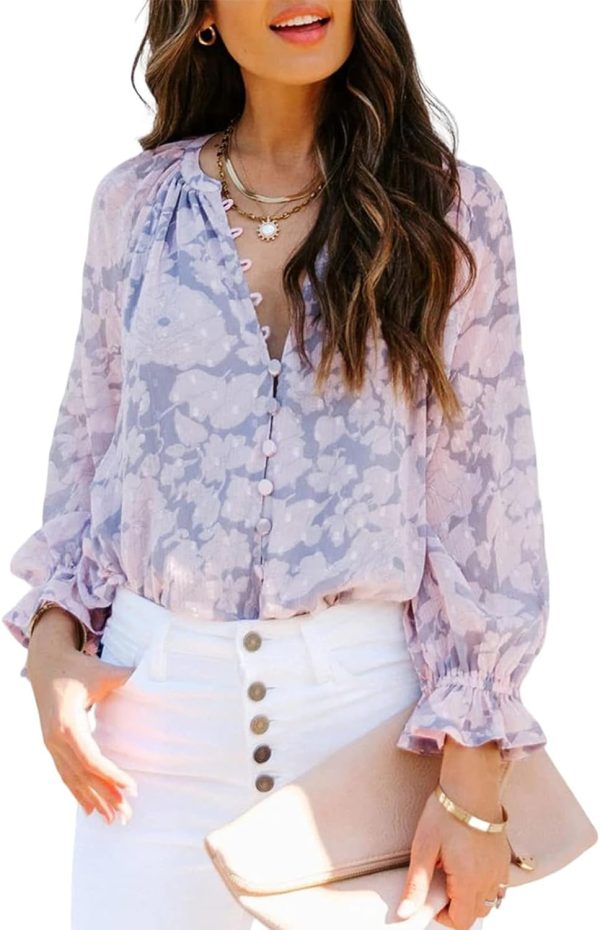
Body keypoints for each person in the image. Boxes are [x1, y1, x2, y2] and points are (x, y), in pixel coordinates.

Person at [2, 2, 550, 929]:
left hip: (368, 747)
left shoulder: (452, 210)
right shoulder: (136, 205)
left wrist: (472, 788)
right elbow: (90, 460)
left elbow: (488, 507)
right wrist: (52, 654)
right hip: (149, 755)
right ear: (204, 16)